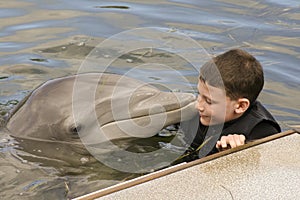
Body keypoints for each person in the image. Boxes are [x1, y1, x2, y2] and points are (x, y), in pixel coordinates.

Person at [180, 49, 281, 161]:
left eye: (209, 101)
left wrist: (234, 154)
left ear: (240, 106)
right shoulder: (198, 112)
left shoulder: (262, 132)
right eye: (199, 94)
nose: (198, 106)